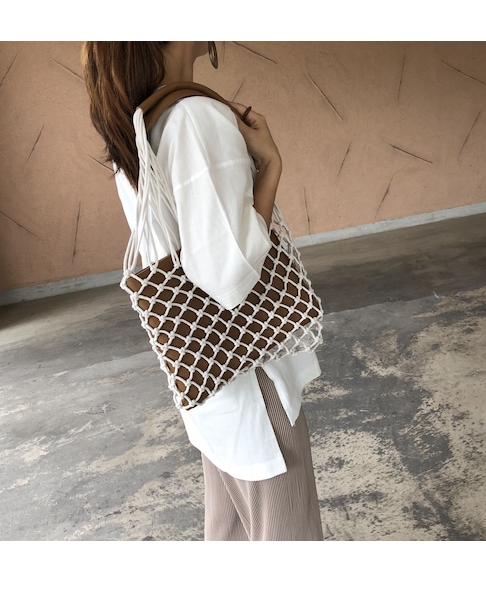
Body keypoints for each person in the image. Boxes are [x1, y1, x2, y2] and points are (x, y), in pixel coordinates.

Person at [81, 41, 323, 541]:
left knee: (230, 535)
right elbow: (229, 275)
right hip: (250, 370)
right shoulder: (195, 117)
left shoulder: (140, 122)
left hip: (207, 373)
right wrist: (270, 166)